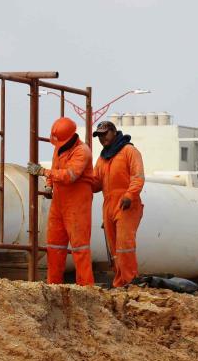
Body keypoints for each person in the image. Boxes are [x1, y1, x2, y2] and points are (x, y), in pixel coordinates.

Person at [27, 116, 94, 286]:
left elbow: (70, 176)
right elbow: (57, 168)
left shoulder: (82, 151)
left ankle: (86, 288)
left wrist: (43, 172)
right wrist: (49, 185)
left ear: (71, 137)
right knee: (54, 246)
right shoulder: (59, 148)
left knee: (79, 247)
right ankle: (54, 285)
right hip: (59, 202)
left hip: (77, 203)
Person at [92, 121, 145, 287]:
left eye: (104, 134)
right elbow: (96, 184)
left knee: (124, 245)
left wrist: (129, 195)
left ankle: (130, 281)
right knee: (114, 249)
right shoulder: (102, 158)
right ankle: (119, 282)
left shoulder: (129, 151)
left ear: (114, 132)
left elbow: (138, 177)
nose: (102, 138)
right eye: (99, 135)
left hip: (127, 205)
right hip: (109, 205)